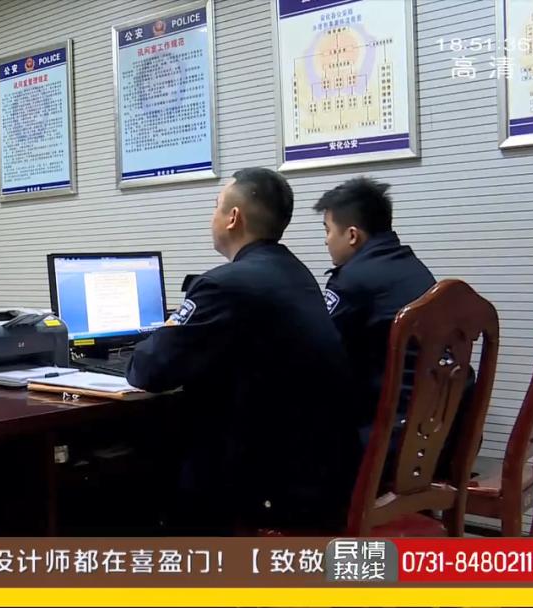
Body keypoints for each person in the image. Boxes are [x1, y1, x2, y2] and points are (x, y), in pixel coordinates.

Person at [126, 168, 362, 534]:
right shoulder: (297, 275)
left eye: (216, 206)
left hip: (267, 489)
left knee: (139, 473)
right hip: (320, 474)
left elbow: (149, 370)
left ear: (233, 217)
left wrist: (170, 327)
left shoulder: (224, 284)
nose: (212, 216)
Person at [312, 178, 436, 432]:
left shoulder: (350, 280)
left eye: (328, 230)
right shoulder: (412, 265)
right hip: (437, 423)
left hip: (390, 431)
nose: (326, 241)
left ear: (352, 235)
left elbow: (321, 352)